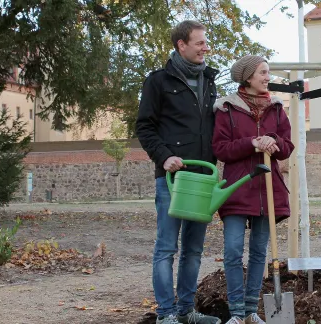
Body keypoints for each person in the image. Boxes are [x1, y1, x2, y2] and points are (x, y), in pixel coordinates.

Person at [136, 20, 221, 324]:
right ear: (181, 45)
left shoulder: (209, 80)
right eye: (199, 43)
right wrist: (165, 156)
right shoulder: (158, 81)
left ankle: (186, 312)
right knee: (167, 248)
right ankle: (165, 314)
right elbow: (144, 127)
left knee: (194, 250)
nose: (205, 48)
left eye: (205, 42)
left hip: (202, 177)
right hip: (172, 179)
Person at [212, 55, 295, 324]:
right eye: (262, 72)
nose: (267, 77)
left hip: (267, 189)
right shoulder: (227, 109)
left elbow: (287, 147)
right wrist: (253, 143)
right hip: (236, 188)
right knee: (234, 250)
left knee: (260, 252)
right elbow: (221, 149)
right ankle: (236, 312)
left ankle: (250, 311)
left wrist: (273, 141)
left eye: (268, 72)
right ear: (248, 77)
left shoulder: (277, 108)